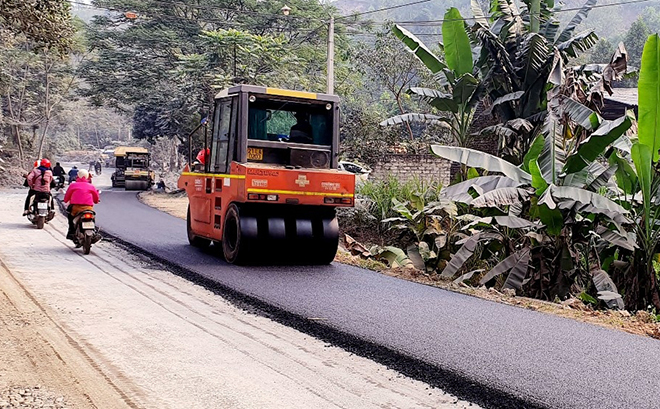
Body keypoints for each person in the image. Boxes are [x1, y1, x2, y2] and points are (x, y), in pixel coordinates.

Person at [63, 169, 100, 240]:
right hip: (88, 208)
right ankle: (94, 232)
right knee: (92, 218)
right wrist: (96, 201)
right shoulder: (91, 186)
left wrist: (66, 200)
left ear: (78, 176)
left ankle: (71, 232)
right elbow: (96, 199)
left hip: (76, 208)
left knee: (70, 217)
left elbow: (66, 198)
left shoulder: (73, 185)